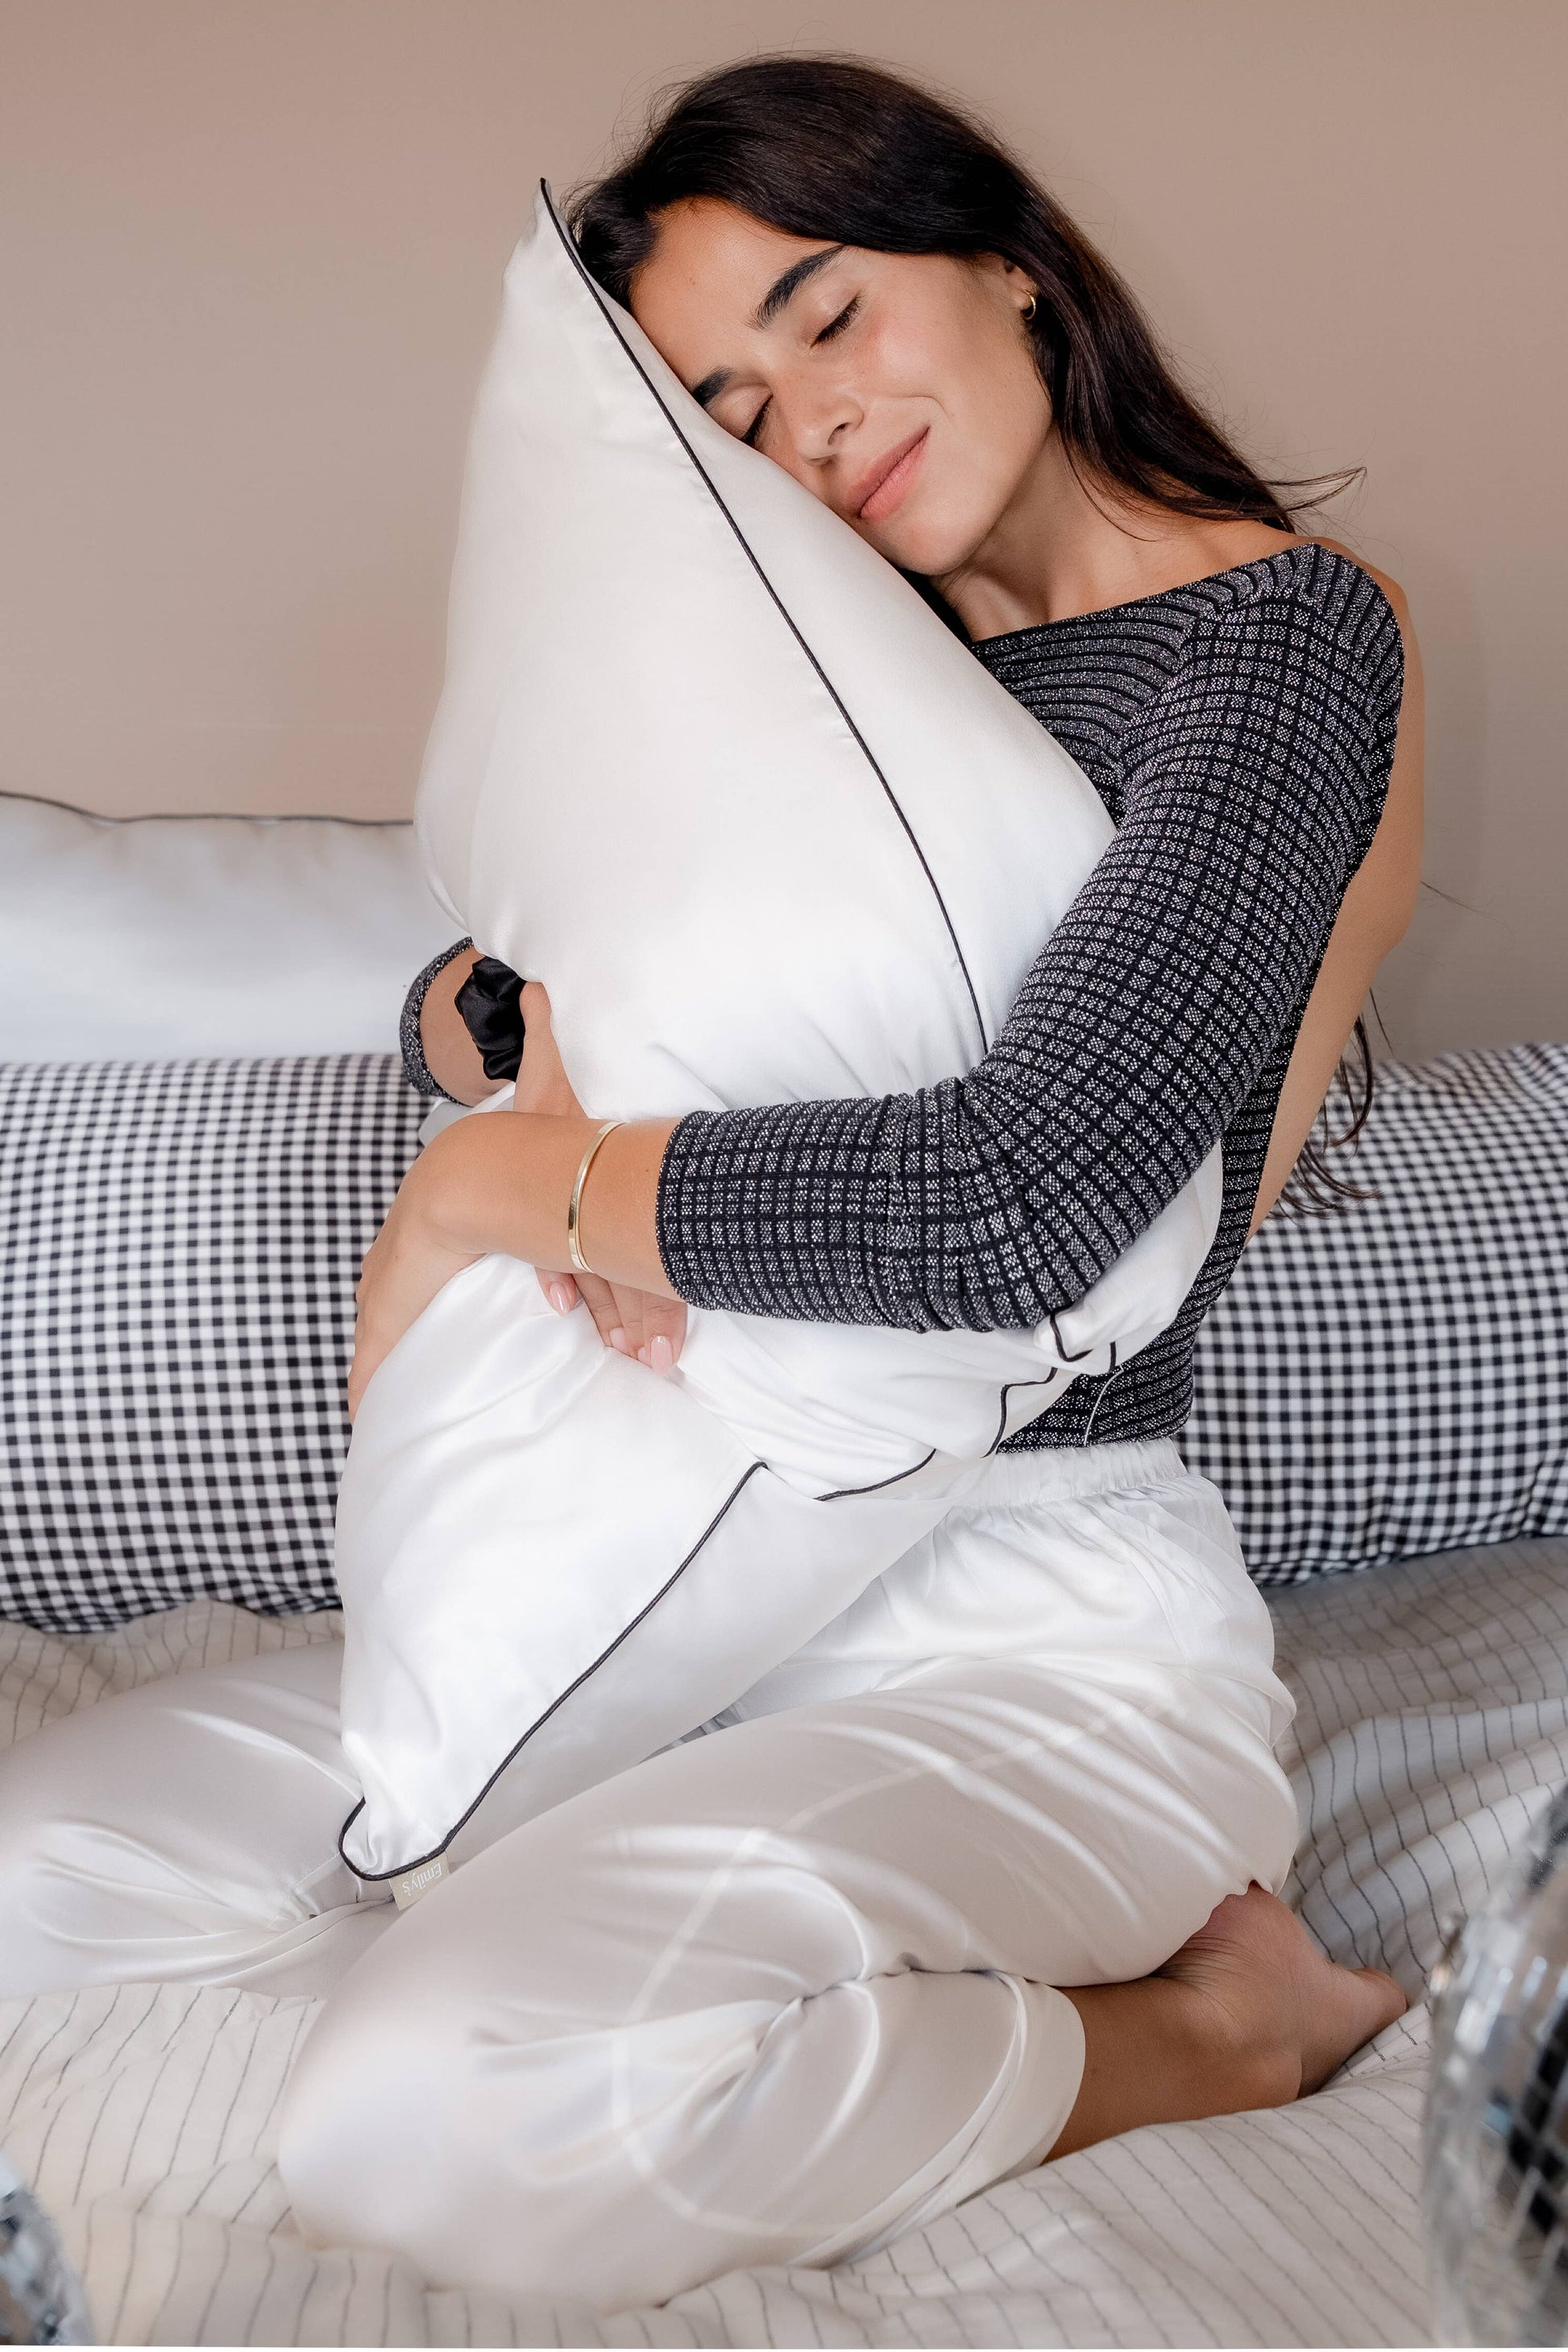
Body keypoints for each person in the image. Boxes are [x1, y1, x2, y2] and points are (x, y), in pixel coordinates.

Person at [0, 56, 1418, 2312]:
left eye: (829, 314)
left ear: (1009, 265)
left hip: (1028, 1623)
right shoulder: (819, 660)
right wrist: (525, 1039)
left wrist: (507, 1195)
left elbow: (1021, 1209)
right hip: (654, 1544)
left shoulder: (1281, 638)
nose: (811, 423)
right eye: (731, 410)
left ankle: (1210, 2028)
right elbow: (467, 996)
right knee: (33, 1886)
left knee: (437, 2116)